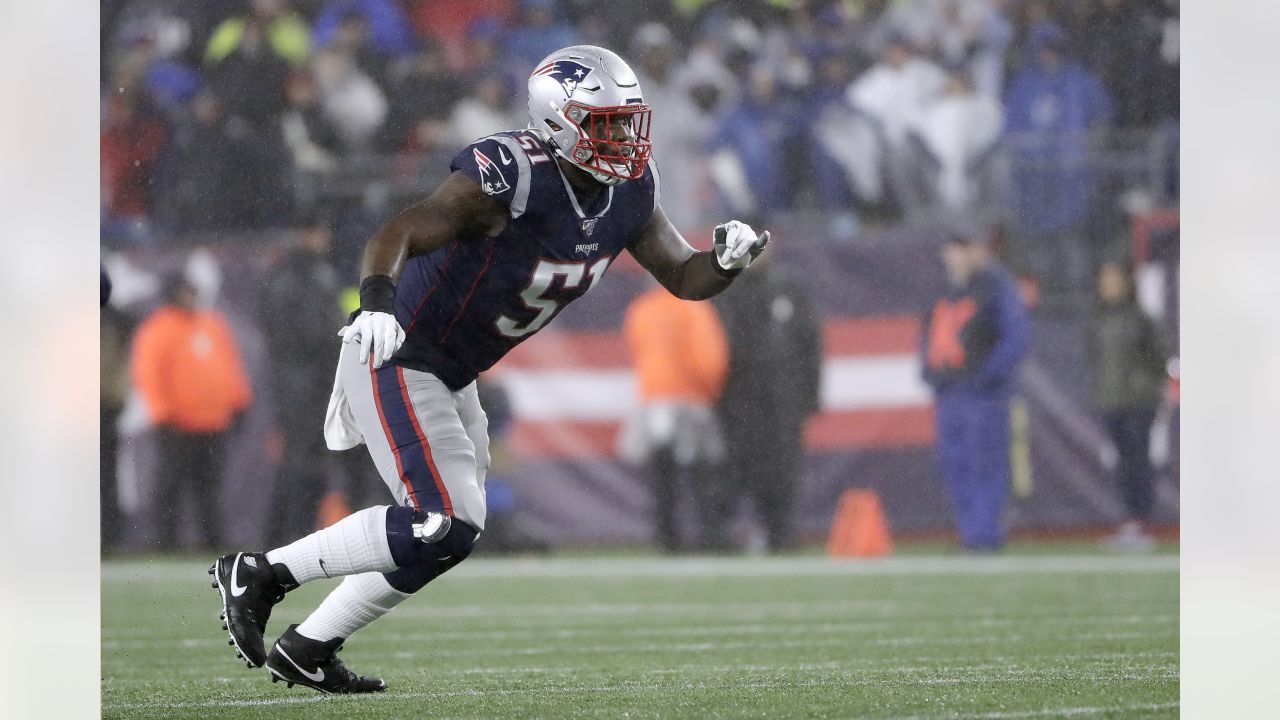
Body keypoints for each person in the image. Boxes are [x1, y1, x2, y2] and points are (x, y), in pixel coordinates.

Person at [210, 45, 770, 693]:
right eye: (607, 123)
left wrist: (725, 263)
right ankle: (262, 574)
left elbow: (681, 273)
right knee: (437, 522)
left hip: (452, 370)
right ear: (560, 122)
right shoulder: (513, 174)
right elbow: (401, 230)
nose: (623, 137)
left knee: (449, 535)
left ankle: (308, 646)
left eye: (627, 120)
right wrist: (377, 305)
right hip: (397, 349)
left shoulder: (629, 190)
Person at [921, 225, 1030, 552]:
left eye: (965, 247)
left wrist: (986, 376)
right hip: (950, 392)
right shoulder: (944, 291)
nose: (958, 255)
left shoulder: (995, 288)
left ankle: (984, 533)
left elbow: (1015, 338)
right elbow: (928, 335)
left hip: (982, 394)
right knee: (957, 466)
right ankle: (971, 532)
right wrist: (930, 373)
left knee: (985, 463)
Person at [131, 273, 254, 550]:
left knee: (210, 490)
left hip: (213, 423)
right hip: (177, 425)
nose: (192, 297)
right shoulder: (159, 329)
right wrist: (162, 415)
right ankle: (165, 543)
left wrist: (238, 401)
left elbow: (228, 366)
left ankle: (214, 542)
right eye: (186, 291)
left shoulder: (211, 324)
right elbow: (149, 375)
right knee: (170, 488)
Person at [713, 250, 822, 552]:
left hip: (781, 397)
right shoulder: (723, 287)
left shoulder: (788, 286)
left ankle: (781, 533)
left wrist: (810, 395)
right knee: (732, 469)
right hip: (736, 398)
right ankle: (724, 537)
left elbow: (809, 342)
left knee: (782, 469)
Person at [257, 215, 347, 545]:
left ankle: (289, 532)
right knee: (304, 461)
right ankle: (295, 531)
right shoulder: (302, 275)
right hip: (305, 384)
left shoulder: (295, 273)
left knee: (304, 460)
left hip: (303, 382)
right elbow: (309, 333)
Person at [623, 280, 729, 553]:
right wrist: (710, 391)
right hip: (688, 398)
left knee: (662, 475)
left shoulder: (642, 308)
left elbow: (636, 347)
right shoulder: (693, 307)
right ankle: (708, 536)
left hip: (653, 399)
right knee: (700, 474)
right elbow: (709, 357)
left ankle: (667, 538)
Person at [1088, 259, 1169, 551]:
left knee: (1139, 460)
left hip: (1139, 401)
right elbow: (1094, 358)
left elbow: (1159, 357)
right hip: (1111, 400)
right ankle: (1129, 521)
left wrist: (1145, 385)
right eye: (1104, 279)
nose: (1107, 285)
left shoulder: (1140, 318)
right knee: (1122, 462)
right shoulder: (1100, 318)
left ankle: (1142, 521)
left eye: (1113, 279)